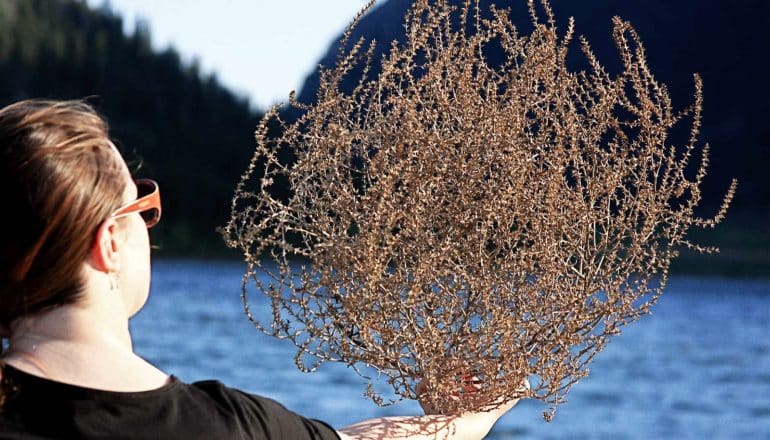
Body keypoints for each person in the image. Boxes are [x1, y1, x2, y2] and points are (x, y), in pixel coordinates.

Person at [0, 99, 523, 439]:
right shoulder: (230, 428)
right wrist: (473, 416)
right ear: (108, 241)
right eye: (142, 207)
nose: (149, 228)